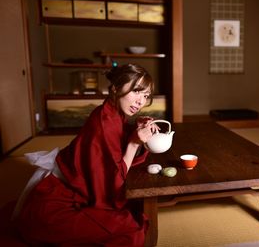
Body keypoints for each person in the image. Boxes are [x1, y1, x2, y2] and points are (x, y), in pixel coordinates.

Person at [14, 63, 158, 246]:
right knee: (131, 228)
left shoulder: (112, 113)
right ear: (116, 87)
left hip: (76, 191)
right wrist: (133, 142)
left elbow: (115, 145)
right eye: (137, 91)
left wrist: (135, 128)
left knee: (135, 212)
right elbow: (111, 188)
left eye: (145, 96)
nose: (141, 101)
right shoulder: (103, 121)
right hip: (56, 204)